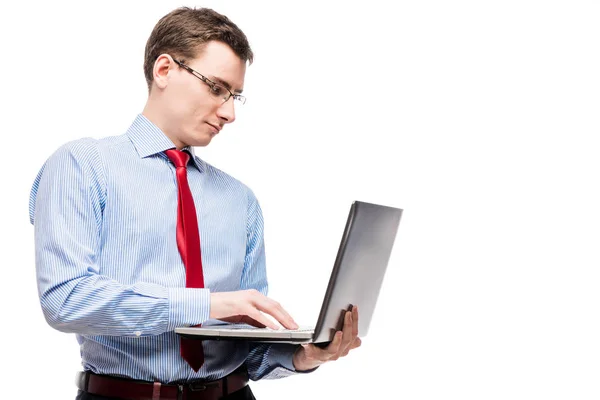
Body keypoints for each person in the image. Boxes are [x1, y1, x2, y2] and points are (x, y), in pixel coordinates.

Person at [29, 7, 361, 400]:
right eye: (216, 88)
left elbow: (248, 348)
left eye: (235, 95)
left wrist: (305, 355)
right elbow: (65, 300)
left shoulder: (240, 200)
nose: (230, 112)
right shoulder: (82, 165)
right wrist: (205, 304)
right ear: (164, 70)